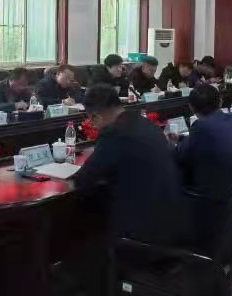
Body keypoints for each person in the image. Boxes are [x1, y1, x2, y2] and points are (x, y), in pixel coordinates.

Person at [74, 84, 179, 244]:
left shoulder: (113, 133)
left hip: (143, 232)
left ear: (95, 117)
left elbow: (84, 180)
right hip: (172, 216)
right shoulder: (144, 122)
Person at [172, 84, 232, 243]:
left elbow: (180, 156)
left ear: (191, 107)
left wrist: (174, 144)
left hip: (219, 202)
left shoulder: (200, 126)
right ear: (220, 102)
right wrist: (184, 139)